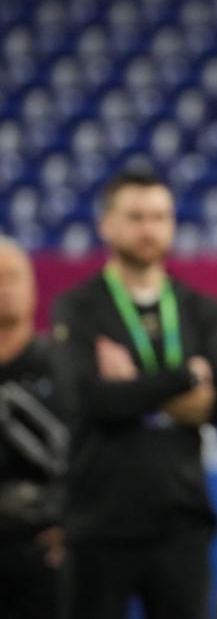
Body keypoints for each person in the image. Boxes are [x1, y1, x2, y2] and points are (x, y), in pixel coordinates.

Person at [51, 170, 217, 619]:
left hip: (181, 521)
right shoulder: (77, 306)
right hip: (98, 522)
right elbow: (85, 400)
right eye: (134, 216)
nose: (148, 228)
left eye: (159, 216)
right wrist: (184, 379)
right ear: (106, 225)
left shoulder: (199, 308)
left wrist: (131, 383)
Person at [0, 238, 68, 619]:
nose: (5, 288)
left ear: (33, 289)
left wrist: (73, 522)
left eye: (13, 278)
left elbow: (91, 449)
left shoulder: (62, 365)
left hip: (44, 548)